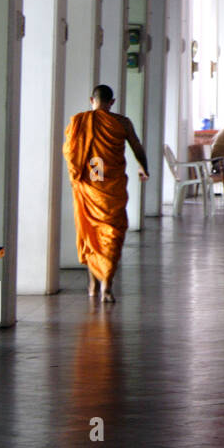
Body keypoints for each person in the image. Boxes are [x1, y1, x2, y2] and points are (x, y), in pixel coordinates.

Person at [63, 85, 149, 303]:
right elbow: (137, 147)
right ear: (112, 101)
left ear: (92, 99)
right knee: (112, 235)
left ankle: (93, 283)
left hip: (90, 186)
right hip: (111, 189)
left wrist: (76, 175)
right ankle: (106, 286)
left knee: (92, 235)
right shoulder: (122, 122)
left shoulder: (79, 121)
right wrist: (144, 167)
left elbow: (70, 152)